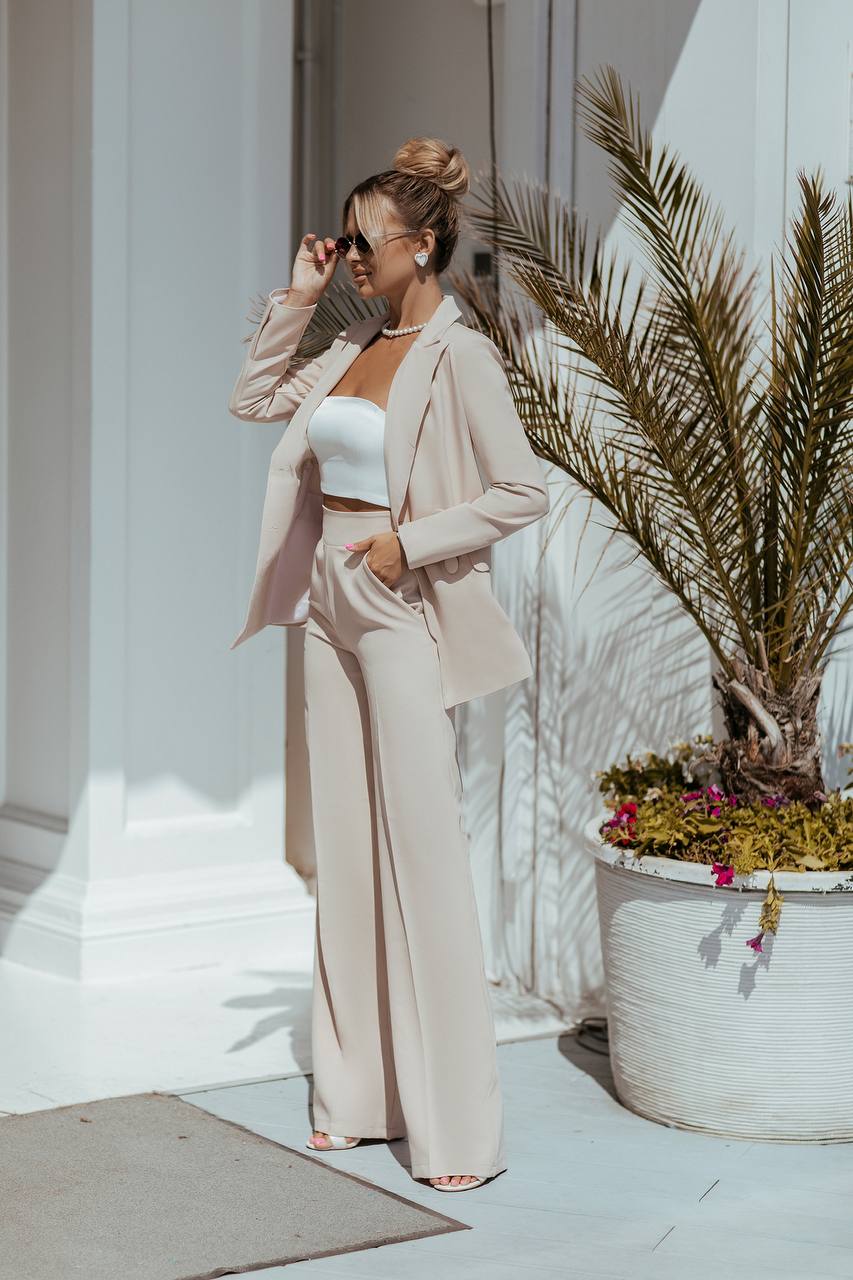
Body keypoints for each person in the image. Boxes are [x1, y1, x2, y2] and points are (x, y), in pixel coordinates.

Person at [228, 137, 550, 1191]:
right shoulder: (353, 336)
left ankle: (458, 1130)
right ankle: (357, 1094)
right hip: (324, 600)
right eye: (346, 236)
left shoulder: (459, 355)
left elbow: (519, 492)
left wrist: (405, 546)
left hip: (396, 596)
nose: (353, 252)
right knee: (347, 852)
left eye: (364, 240)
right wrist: (301, 293)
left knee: (421, 855)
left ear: (423, 243)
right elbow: (254, 399)